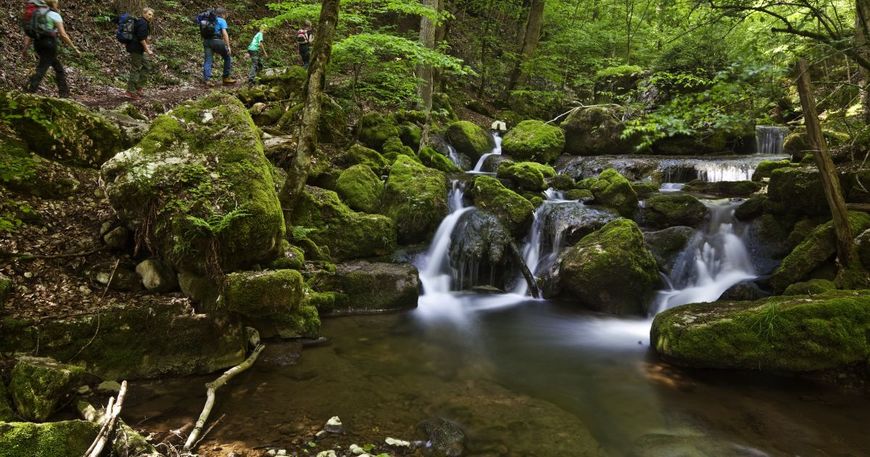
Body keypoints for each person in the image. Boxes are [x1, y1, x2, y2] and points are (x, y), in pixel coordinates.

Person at [22, 0, 81, 97]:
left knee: (58, 68)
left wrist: (25, 48)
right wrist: (75, 49)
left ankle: (64, 93)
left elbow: (28, 35)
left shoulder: (37, 14)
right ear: (54, 3)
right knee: (43, 67)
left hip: (38, 44)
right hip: (49, 44)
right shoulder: (54, 15)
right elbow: (63, 35)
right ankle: (30, 90)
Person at [125, 7, 155, 100]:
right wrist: (148, 50)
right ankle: (130, 91)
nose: (151, 16)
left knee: (147, 66)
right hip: (136, 49)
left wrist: (148, 45)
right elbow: (141, 38)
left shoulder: (144, 23)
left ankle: (138, 87)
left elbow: (144, 37)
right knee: (136, 68)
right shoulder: (142, 22)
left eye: (152, 15)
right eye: (149, 14)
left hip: (140, 49)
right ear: (144, 13)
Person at [203, 7, 236, 85]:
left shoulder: (208, 20)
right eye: (225, 14)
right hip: (217, 41)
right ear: (222, 14)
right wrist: (228, 46)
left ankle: (207, 80)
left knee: (208, 60)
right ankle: (226, 78)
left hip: (207, 42)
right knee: (227, 57)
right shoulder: (222, 20)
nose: (226, 16)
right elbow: (224, 34)